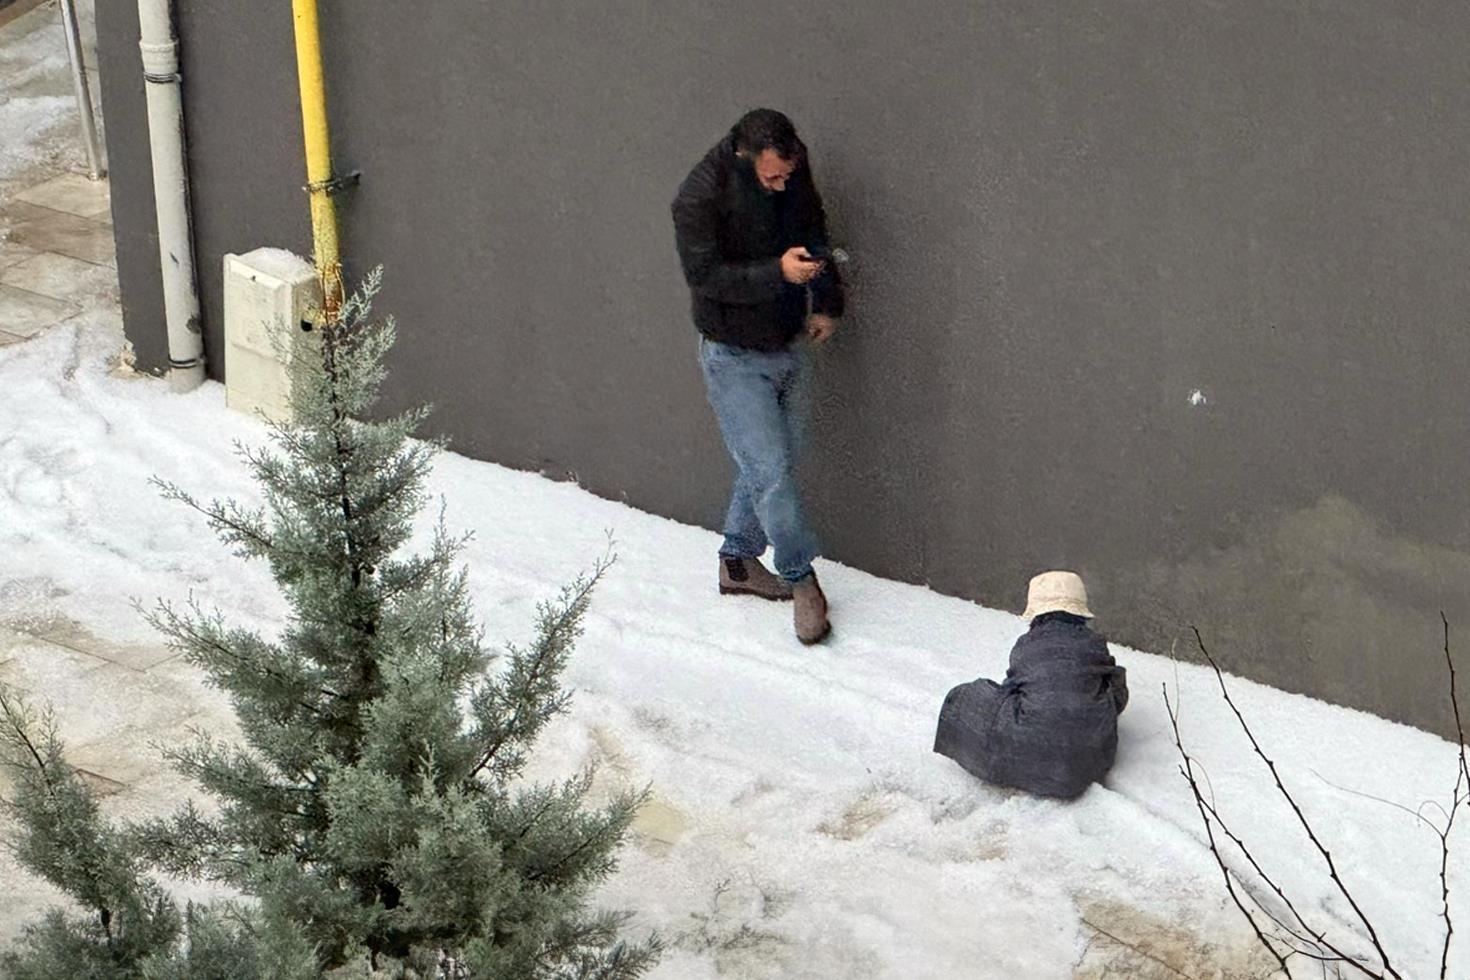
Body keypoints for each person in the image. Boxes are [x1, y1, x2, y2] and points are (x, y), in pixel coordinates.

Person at [671, 108, 845, 645]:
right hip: (733, 356)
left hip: (789, 341)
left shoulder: (791, 166)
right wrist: (778, 273)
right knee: (770, 472)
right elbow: (705, 277)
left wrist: (827, 302)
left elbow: (813, 228)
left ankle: (738, 561)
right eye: (772, 177)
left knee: (773, 462)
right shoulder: (698, 197)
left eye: (788, 175)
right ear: (744, 157)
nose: (782, 184)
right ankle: (800, 578)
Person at [933, 571, 1129, 798]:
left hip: (1035, 759)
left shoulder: (1027, 645)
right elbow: (1118, 694)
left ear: (1036, 612)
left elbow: (1011, 691)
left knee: (965, 695)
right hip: (1090, 763)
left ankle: (1025, 761)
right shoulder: (1095, 644)